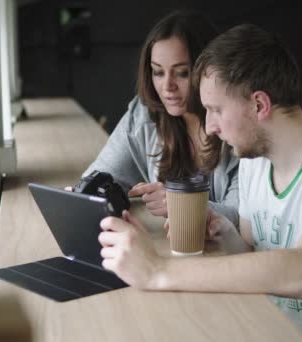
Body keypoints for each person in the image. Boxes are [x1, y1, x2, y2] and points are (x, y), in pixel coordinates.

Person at [98, 24, 302, 341]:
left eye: (215, 110)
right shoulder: (254, 165)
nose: (210, 126)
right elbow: (250, 252)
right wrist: (223, 229)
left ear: (259, 105)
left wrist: (157, 271)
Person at [81, 10, 239, 225]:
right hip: (167, 250)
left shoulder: (238, 123)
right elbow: (101, 177)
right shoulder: (144, 113)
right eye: (158, 72)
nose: (167, 87)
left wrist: (181, 203)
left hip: (225, 256)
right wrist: (82, 194)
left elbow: (243, 218)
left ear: (210, 70)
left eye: (182, 73)